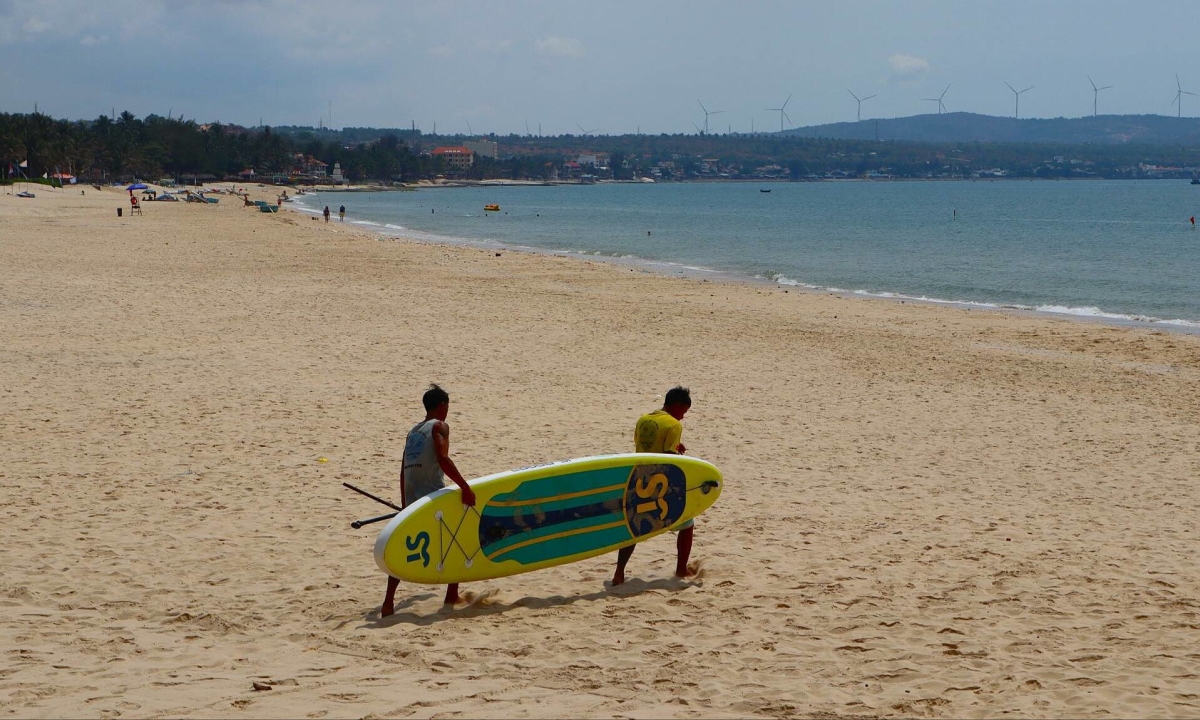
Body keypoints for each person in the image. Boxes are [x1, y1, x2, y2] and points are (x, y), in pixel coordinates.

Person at [381, 384, 477, 616]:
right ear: (443, 406)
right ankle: (452, 594)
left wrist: (405, 504)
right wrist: (465, 488)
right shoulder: (440, 426)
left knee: (404, 543)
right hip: (434, 495)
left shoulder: (413, 432)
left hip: (413, 497)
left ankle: (388, 603)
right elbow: (444, 460)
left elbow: (403, 470)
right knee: (458, 538)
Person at [612, 385, 696, 586]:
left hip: (638, 479)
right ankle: (681, 569)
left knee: (633, 528)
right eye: (684, 411)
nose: (683, 417)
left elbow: (644, 447)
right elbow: (667, 457)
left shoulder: (644, 419)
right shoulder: (674, 425)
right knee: (687, 523)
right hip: (660, 483)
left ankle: (618, 574)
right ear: (677, 406)